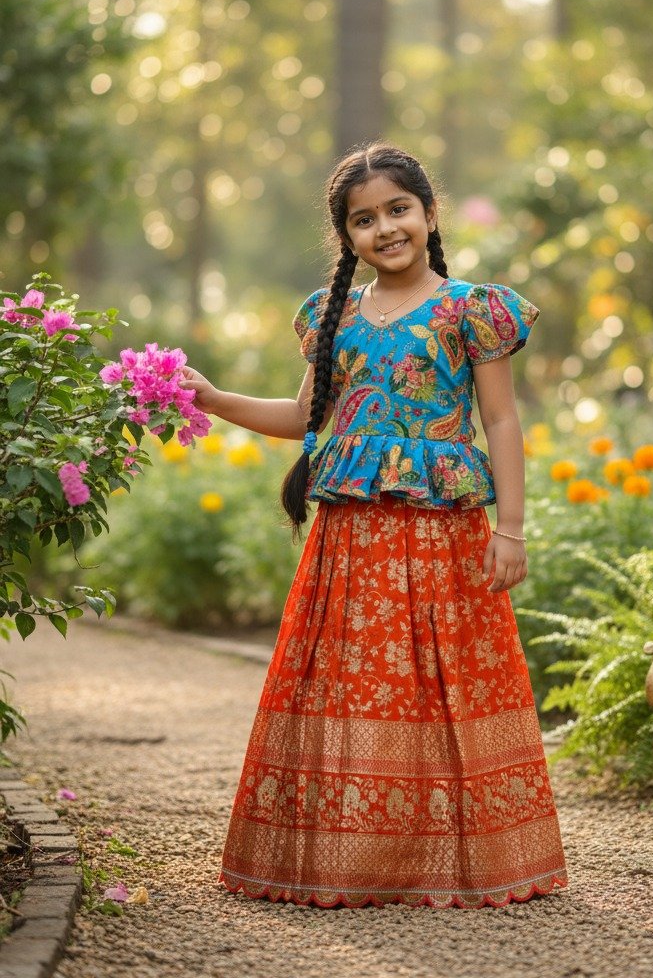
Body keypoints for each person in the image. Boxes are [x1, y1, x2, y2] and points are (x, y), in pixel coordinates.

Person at [181, 143, 569, 909]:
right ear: (346, 236)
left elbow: (501, 419)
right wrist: (217, 399)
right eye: (364, 219)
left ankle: (448, 861)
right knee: (357, 691)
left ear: (429, 213)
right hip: (350, 539)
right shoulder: (334, 320)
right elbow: (303, 417)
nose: (385, 228)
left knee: (440, 688)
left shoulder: (470, 310)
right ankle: (353, 860)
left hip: (442, 534)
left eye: (398, 209)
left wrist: (512, 530)